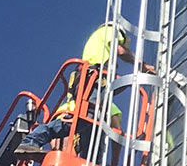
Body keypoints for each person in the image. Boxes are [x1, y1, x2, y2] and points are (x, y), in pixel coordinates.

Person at [19, 22, 153, 153]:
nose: (114, 64)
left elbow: (112, 87)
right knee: (84, 120)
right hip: (91, 78)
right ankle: (31, 141)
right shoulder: (110, 31)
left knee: (90, 127)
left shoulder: (97, 44)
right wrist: (144, 66)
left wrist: (132, 81)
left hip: (88, 79)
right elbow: (121, 51)